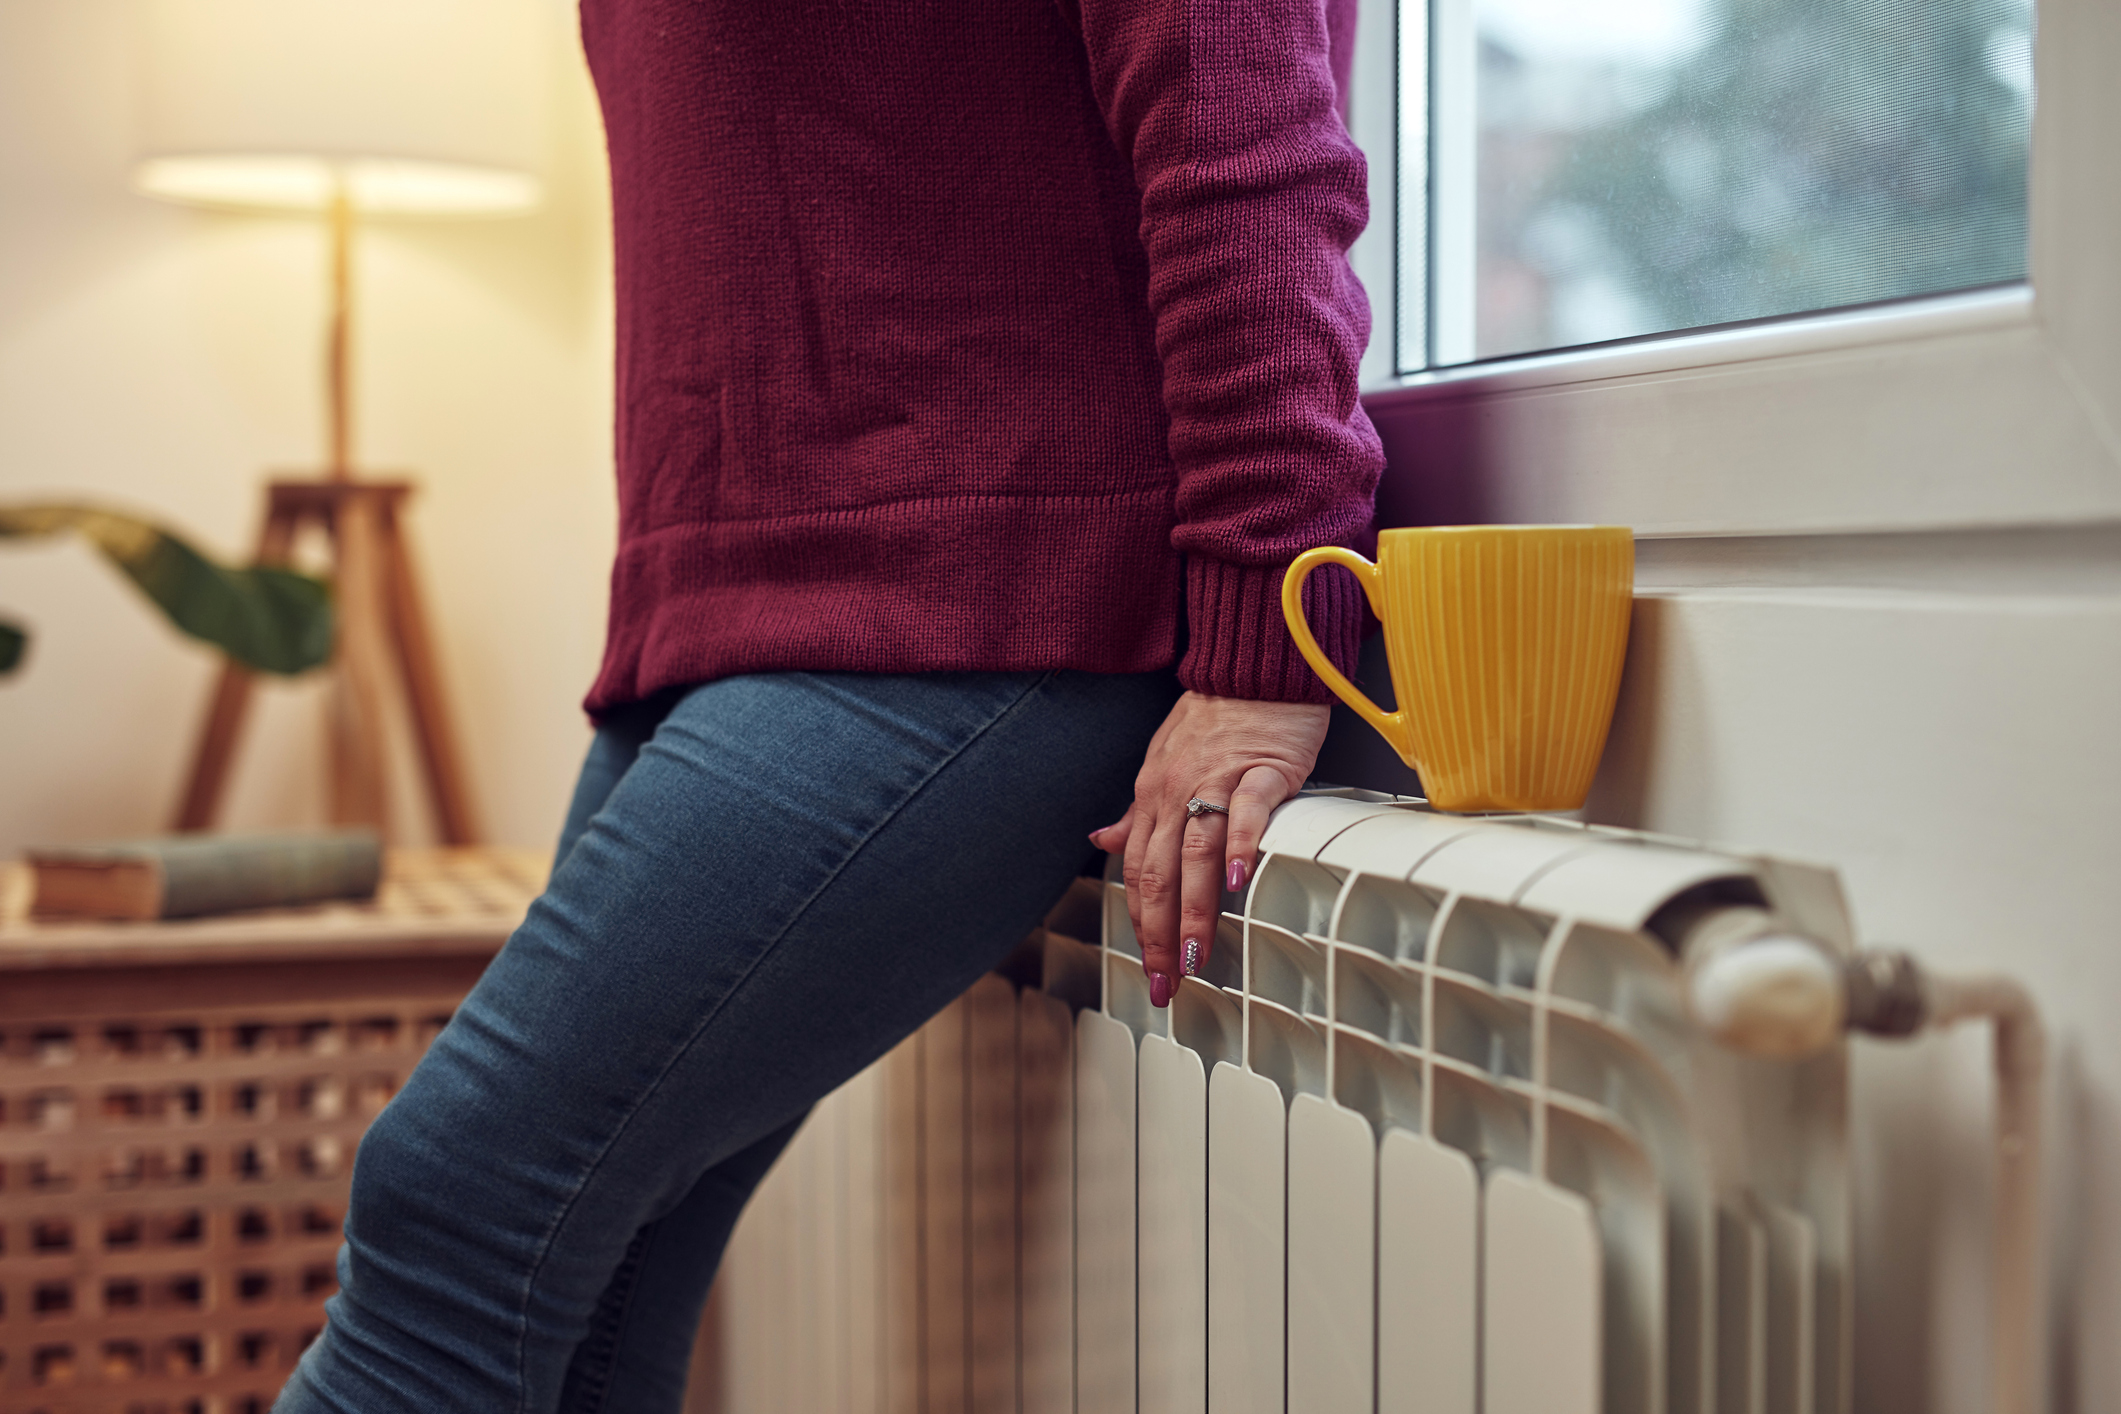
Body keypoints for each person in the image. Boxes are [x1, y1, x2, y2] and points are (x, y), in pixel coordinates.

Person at [275, 0, 1381, 1407]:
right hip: (725, 604)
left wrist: (1267, 618)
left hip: (988, 585)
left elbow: (1244, 130)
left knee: (448, 1204)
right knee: (596, 1284)